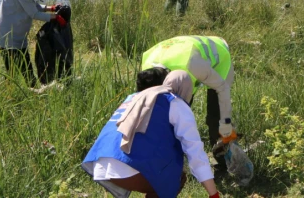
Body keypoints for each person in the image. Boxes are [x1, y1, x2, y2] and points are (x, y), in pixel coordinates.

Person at [82, 70, 220, 198]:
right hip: (126, 166)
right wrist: (214, 194)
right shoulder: (175, 102)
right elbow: (195, 152)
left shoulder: (133, 97)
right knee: (176, 177)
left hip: (100, 161)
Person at [141, 36, 237, 158]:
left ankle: (222, 159)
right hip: (185, 60)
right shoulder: (147, 66)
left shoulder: (192, 65)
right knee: (173, 116)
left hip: (219, 58)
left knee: (216, 117)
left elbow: (223, 88)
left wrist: (226, 122)